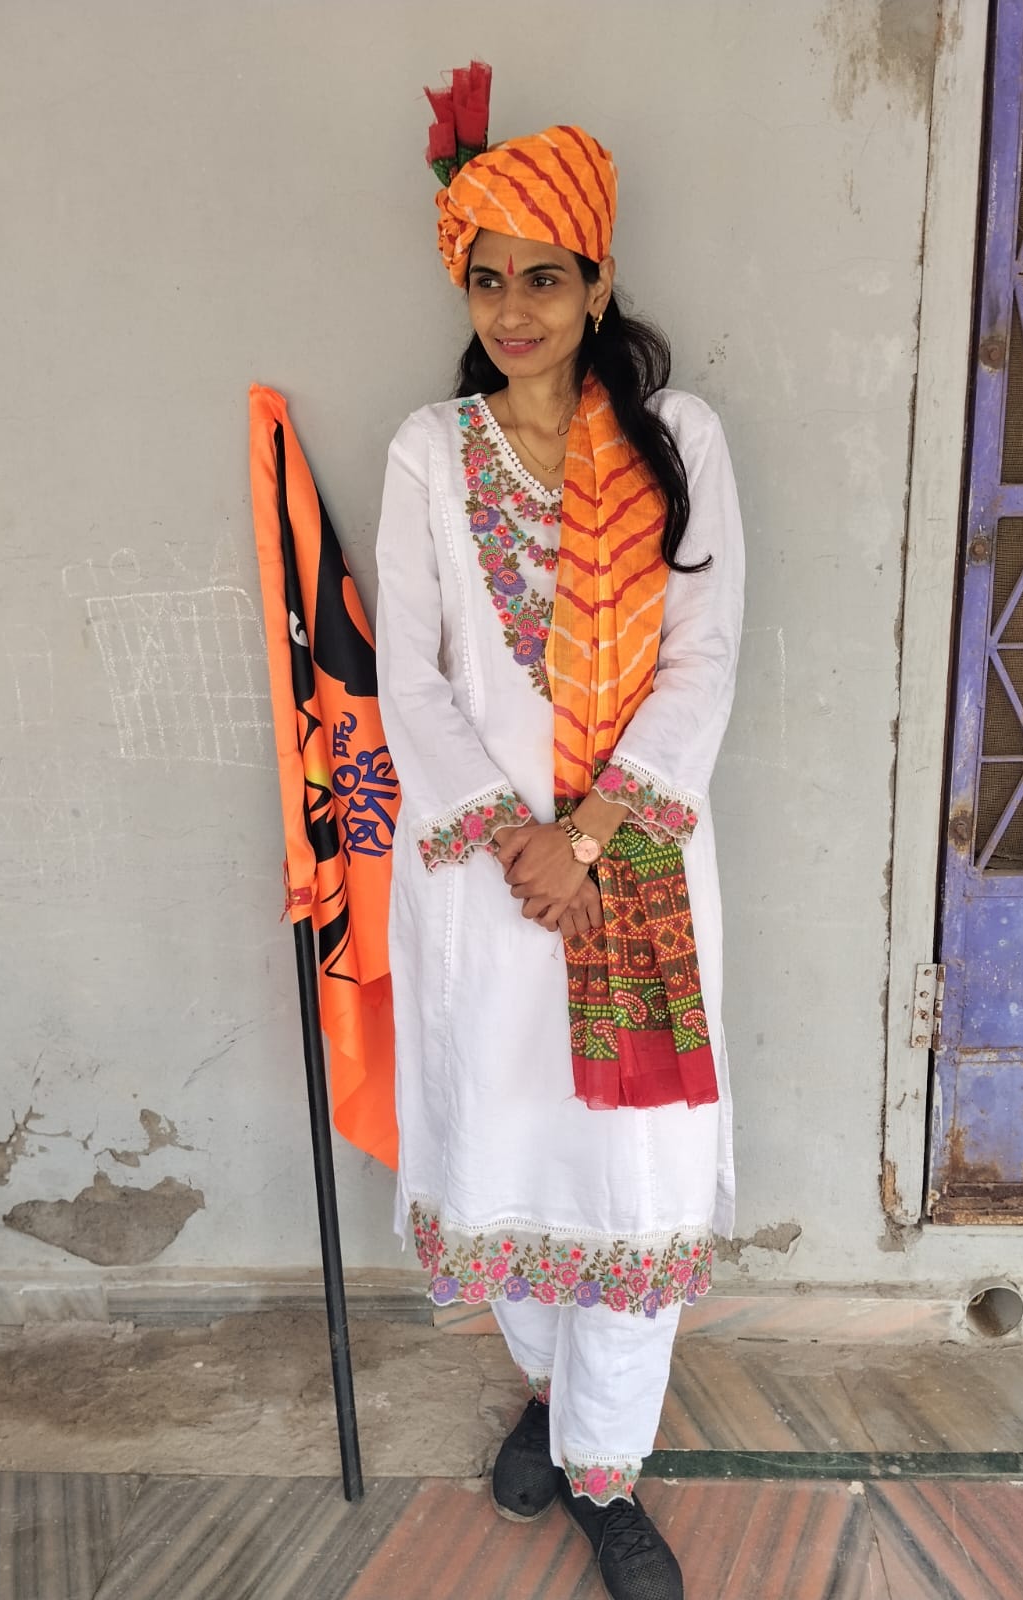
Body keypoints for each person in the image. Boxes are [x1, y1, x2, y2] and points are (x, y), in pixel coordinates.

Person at [374, 64, 744, 1600]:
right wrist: (510, 837)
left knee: (631, 1172)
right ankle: (550, 1388)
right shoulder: (430, 448)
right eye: (488, 278)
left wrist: (586, 835)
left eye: (544, 276)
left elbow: (703, 660)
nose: (514, 307)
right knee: (508, 1149)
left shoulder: (680, 438)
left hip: (632, 868)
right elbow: (409, 674)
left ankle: (606, 1470)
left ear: (598, 284)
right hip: (488, 887)